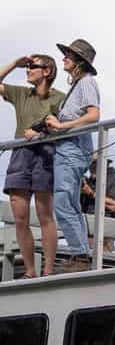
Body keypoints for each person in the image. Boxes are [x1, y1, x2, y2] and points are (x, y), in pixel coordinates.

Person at [0, 54, 64, 278]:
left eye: (31, 67)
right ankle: (29, 270)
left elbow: (63, 127)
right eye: (26, 67)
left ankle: (47, 270)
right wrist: (14, 63)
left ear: (46, 71)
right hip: (20, 153)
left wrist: (40, 133)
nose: (27, 70)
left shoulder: (60, 98)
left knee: (45, 214)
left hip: (44, 153)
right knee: (19, 216)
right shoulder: (21, 93)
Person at [45, 39, 101, 272]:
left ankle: (80, 255)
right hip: (71, 147)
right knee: (69, 202)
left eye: (69, 54)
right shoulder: (79, 85)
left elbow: (94, 115)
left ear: (80, 62)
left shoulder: (87, 83)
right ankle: (81, 255)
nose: (64, 57)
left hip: (72, 148)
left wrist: (60, 127)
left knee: (62, 201)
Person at [80, 156, 115, 252]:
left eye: (94, 163)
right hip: (84, 231)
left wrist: (91, 193)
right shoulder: (88, 182)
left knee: (101, 263)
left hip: (104, 233)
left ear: (105, 164)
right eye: (90, 163)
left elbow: (113, 205)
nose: (91, 166)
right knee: (83, 263)